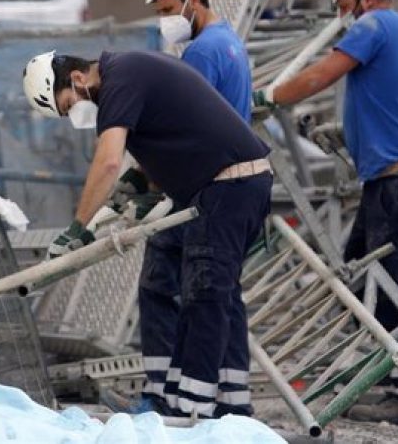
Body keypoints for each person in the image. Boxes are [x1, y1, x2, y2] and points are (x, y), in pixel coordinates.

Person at [23, 49, 272, 418]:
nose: (73, 114)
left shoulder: (118, 81)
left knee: (207, 296)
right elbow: (165, 138)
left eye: (66, 105)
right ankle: (211, 405)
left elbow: (108, 161)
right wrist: (137, 184)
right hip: (224, 186)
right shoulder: (126, 73)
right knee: (203, 293)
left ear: (76, 79)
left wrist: (78, 228)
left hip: (231, 185)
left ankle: (193, 413)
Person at [253, 0, 398, 426]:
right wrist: (349, 131)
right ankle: (394, 371)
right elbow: (392, 98)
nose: (342, 15)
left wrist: (266, 97)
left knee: (392, 285)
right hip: (391, 178)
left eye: (345, 3)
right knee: (358, 276)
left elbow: (319, 75)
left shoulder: (374, 26)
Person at [100, 0, 254, 415]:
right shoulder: (230, 42)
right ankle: (233, 399)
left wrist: (138, 179)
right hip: (224, 190)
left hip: (194, 192)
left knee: (160, 287)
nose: (164, 21)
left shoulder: (203, 53)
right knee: (222, 294)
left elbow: (180, 125)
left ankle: (163, 396)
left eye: (167, 10)